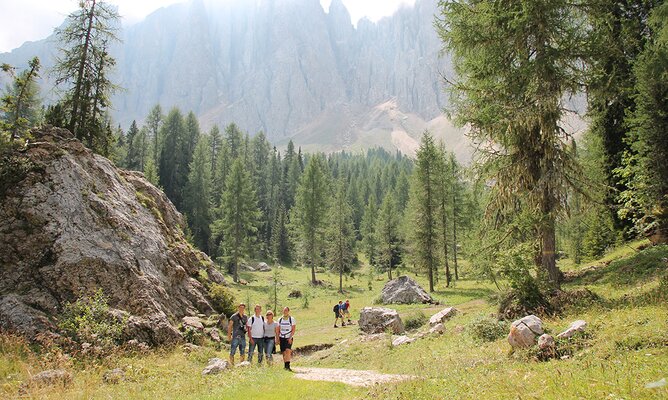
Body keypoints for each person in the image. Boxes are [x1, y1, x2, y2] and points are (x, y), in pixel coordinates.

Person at [278, 306, 296, 371]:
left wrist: (290, 337)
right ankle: (285, 365)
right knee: (284, 352)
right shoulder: (280, 319)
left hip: (289, 337)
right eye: (284, 310)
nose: (285, 311)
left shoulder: (292, 319)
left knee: (288, 351)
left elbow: (293, 329)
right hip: (281, 337)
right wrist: (277, 338)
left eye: (286, 310)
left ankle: (288, 366)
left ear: (288, 311)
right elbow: (278, 329)